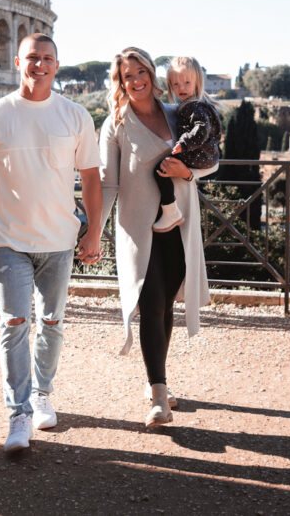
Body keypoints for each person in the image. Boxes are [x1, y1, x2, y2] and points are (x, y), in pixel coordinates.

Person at [0, 33, 102, 454]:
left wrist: (93, 230)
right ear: (18, 63)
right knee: (13, 323)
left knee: (53, 322)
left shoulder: (76, 116)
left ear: (57, 65)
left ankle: (43, 393)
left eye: (47, 58)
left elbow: (92, 177)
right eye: (32, 58)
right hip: (9, 240)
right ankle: (18, 413)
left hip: (60, 239)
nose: (40, 65)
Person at [98, 47, 217, 427]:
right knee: (149, 304)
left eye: (140, 72)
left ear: (151, 74)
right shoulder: (115, 123)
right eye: (126, 76)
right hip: (138, 230)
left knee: (165, 307)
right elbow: (107, 184)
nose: (135, 80)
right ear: (119, 82)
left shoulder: (177, 113)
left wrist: (186, 173)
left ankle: (158, 383)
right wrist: (93, 233)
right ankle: (158, 396)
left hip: (179, 228)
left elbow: (211, 161)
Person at [151, 57, 221, 233]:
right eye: (176, 84)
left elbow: (201, 128)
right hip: (208, 156)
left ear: (197, 82)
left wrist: (184, 143)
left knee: (160, 169)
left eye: (187, 83)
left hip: (197, 155)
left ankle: (170, 211)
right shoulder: (199, 105)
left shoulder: (193, 107)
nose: (181, 88)